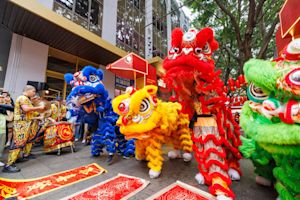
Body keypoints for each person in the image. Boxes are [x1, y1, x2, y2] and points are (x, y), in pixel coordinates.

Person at [3, 85, 45, 173]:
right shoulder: (22, 98)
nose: (34, 93)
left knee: (20, 143)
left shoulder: (26, 99)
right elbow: (26, 109)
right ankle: (9, 165)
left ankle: (16, 159)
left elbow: (29, 112)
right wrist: (38, 108)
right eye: (33, 91)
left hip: (24, 124)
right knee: (18, 143)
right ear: (28, 90)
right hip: (21, 125)